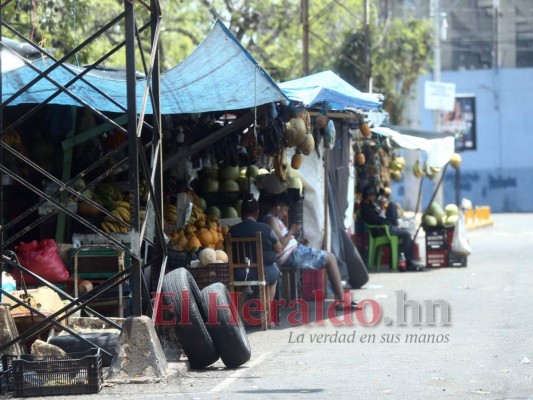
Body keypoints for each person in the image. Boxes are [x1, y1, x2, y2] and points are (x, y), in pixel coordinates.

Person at [262, 195, 358, 310]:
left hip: (295, 252)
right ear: (278, 207)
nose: (286, 214)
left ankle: (341, 299)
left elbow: (283, 241)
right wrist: (291, 231)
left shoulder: (274, 219)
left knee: (330, 257)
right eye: (285, 210)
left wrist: (297, 241)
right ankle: (342, 300)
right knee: (330, 258)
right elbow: (281, 245)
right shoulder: (270, 220)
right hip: (291, 255)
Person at [228, 194, 282, 308]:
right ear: (257, 213)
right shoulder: (266, 228)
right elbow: (279, 249)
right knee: (275, 274)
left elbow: (227, 253)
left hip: (239, 274)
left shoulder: (232, 231)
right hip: (263, 273)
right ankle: (265, 313)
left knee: (241, 284)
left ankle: (239, 317)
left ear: (241, 213)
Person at [359, 185, 424, 271]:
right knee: (407, 235)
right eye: (373, 196)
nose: (375, 198)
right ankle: (409, 262)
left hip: (385, 226)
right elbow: (376, 220)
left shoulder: (371, 206)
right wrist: (384, 218)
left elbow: (379, 216)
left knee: (392, 206)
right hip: (382, 230)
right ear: (369, 196)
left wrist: (382, 210)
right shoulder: (365, 208)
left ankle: (396, 225)